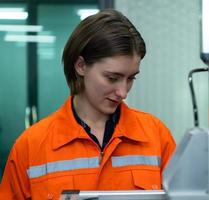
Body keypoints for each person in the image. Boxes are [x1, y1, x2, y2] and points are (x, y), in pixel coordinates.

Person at [0, 9, 176, 199]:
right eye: (112, 78)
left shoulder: (156, 136)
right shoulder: (30, 147)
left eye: (131, 78)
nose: (123, 92)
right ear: (81, 66)